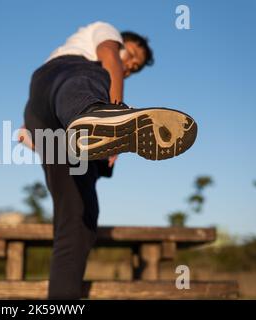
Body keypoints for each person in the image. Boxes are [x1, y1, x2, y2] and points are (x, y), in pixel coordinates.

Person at [20, 21, 197, 299]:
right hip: (66, 81)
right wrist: (115, 111)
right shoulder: (104, 33)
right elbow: (111, 59)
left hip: (44, 118)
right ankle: (99, 117)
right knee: (93, 77)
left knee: (79, 219)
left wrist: (31, 131)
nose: (129, 67)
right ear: (120, 42)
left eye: (135, 68)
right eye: (131, 56)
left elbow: (39, 112)